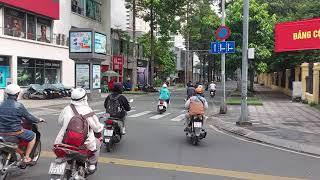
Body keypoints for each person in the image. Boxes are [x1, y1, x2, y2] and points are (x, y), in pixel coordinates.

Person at [55, 88, 103, 172]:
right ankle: (92, 164)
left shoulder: (66, 109)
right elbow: (96, 128)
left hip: (64, 141)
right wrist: (100, 127)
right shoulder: (87, 110)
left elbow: (59, 122)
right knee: (97, 143)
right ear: (85, 98)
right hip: (84, 143)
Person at [0, 84, 44, 163]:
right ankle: (26, 157)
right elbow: (29, 117)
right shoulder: (19, 106)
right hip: (15, 132)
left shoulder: (1, 104)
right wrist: (38, 120)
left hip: (1, 132)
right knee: (33, 135)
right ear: (17, 94)